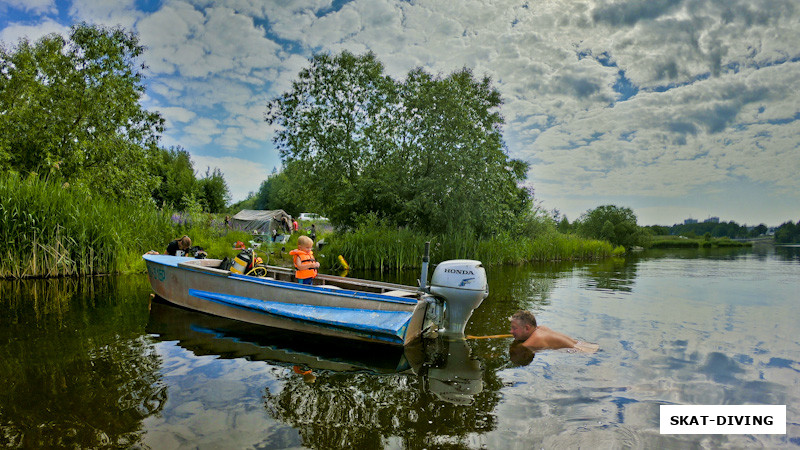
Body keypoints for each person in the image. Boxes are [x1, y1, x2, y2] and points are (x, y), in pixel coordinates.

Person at [508, 310, 598, 353]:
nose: (511, 331)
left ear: (527, 328)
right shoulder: (541, 328)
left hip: (586, 353)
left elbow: (518, 349)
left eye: (514, 328)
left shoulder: (534, 340)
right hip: (588, 345)